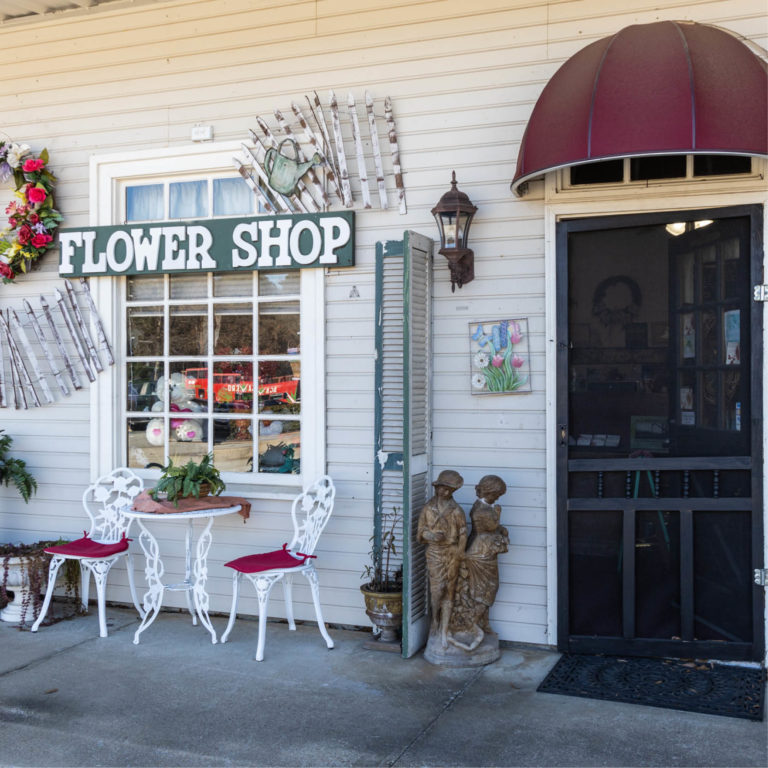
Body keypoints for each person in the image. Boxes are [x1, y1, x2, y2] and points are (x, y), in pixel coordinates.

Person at [417, 469, 467, 649]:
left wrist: (460, 553)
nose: (444, 492)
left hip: (451, 552)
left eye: (448, 490)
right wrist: (430, 535)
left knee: (450, 590)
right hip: (434, 552)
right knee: (437, 590)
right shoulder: (428, 508)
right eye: (441, 488)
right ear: (437, 487)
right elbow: (419, 533)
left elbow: (463, 533)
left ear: (453, 491)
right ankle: (435, 621)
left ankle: (445, 631)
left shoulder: (456, 510)